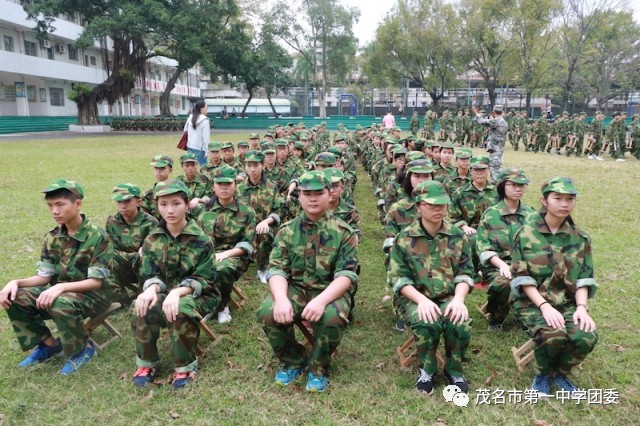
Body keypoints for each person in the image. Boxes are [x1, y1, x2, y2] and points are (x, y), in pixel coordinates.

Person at [256, 171, 359, 392]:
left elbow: (347, 275)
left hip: (330, 290)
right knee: (267, 311)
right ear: (300, 196)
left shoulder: (344, 232)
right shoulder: (287, 231)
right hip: (296, 289)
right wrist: (282, 299)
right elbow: (276, 269)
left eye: (318, 193)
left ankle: (319, 367)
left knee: (331, 316)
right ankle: (293, 360)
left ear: (329, 194)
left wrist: (321, 301)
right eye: (307, 193)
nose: (312, 198)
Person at [0, 179, 113, 374]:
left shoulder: (97, 236)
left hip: (96, 295)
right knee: (15, 296)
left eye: (60, 204)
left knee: (59, 301)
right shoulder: (52, 237)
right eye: (51, 206)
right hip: (59, 294)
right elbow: (44, 276)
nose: (54, 211)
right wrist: (15, 282)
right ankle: (49, 344)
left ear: (77, 204)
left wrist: (60, 287)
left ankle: (82, 350)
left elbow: (96, 282)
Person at [509, 177, 598, 396]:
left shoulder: (581, 238)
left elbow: (584, 278)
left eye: (570, 199)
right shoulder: (526, 234)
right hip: (530, 303)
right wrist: (544, 306)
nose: (564, 204)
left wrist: (581, 308)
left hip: (567, 302)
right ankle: (542, 375)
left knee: (586, 336)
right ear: (544, 200)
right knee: (553, 333)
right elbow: (522, 277)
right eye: (557, 198)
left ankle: (559, 372)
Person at [132, 179, 219, 390]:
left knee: (180, 308)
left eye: (176, 203)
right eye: (163, 204)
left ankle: (185, 366)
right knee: (141, 305)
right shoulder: (153, 239)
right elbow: (151, 273)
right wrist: (151, 289)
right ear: (156, 206)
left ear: (186, 204)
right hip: (166, 290)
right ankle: (147, 363)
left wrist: (178, 293)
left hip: (200, 294)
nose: (169, 210)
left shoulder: (201, 240)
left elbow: (204, 279)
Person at [388, 180, 474, 395]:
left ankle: (454, 370)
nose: (438, 209)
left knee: (460, 321)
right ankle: (427, 368)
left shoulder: (457, 235)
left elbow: (466, 273)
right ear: (418, 206)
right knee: (427, 321)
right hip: (413, 298)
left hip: (447, 296)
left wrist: (458, 299)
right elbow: (400, 279)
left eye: (442, 205)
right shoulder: (405, 239)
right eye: (431, 205)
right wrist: (422, 301)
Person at [475, 169, 536, 332]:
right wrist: (501, 265)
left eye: (522, 185)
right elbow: (483, 247)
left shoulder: (532, 215)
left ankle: (530, 316)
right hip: (496, 264)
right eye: (513, 185)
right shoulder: (491, 215)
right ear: (502, 186)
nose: (518, 189)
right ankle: (496, 318)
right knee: (504, 284)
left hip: (525, 264)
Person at [197, 166, 255, 323]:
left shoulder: (246, 211)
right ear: (213, 186)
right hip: (207, 254)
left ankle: (221, 306)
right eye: (219, 184)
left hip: (235, 256)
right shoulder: (204, 211)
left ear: (235, 185)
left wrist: (225, 254)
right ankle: (207, 303)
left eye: (228, 184)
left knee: (221, 268)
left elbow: (248, 245)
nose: (224, 188)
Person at [106, 183, 158, 304]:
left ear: (138, 202)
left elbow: (152, 253)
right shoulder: (112, 222)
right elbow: (109, 249)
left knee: (147, 259)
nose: (123, 205)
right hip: (123, 266)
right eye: (119, 202)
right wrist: (134, 255)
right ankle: (120, 298)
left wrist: (139, 255)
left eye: (127, 201)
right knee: (104, 259)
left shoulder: (150, 223)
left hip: (144, 268)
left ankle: (143, 296)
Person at [237, 150, 283, 284]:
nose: (252, 169)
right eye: (249, 166)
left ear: (262, 166)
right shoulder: (239, 188)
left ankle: (262, 268)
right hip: (243, 227)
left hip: (263, 226)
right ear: (245, 167)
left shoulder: (271, 188)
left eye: (256, 165)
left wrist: (266, 221)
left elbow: (278, 211)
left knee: (264, 232)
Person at [472, 104, 508, 182]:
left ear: (493, 112)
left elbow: (481, 121)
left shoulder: (497, 121)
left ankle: (498, 186)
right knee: (496, 167)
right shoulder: (501, 121)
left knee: (495, 169)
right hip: (498, 148)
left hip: (495, 148)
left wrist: (476, 113)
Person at [141, 154, 173, 220]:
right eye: (156, 168)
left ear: (170, 170)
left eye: (162, 168)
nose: (158, 171)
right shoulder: (148, 195)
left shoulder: (178, 191)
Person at [184, 101, 210, 166]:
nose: (207, 109)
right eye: (206, 107)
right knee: (203, 168)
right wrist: (207, 151)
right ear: (201, 109)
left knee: (191, 166)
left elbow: (185, 130)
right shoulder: (205, 120)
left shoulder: (190, 117)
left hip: (190, 146)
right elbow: (206, 138)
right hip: (200, 148)